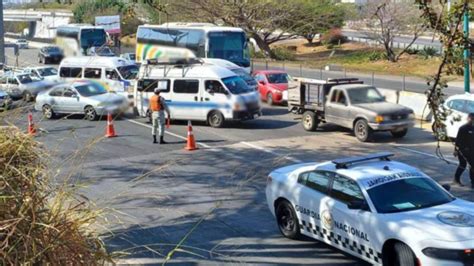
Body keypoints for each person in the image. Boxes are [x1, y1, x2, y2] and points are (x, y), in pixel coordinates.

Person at [454, 112, 474, 188]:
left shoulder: (473, 128)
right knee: (463, 165)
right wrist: (455, 150)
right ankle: (456, 179)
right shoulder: (463, 128)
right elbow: (457, 140)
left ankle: (473, 182)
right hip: (462, 151)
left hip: (472, 151)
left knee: (472, 166)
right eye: (471, 118)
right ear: (468, 118)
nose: (472, 120)